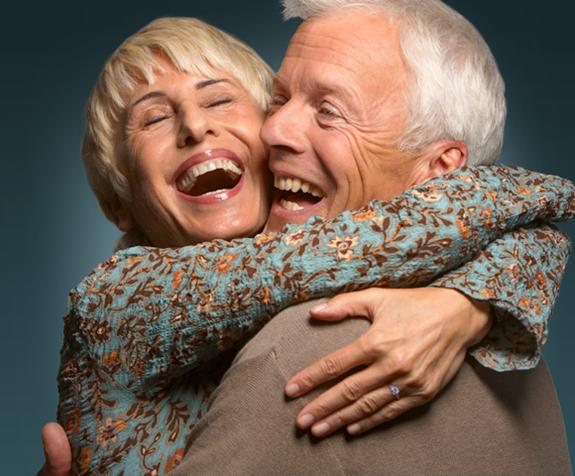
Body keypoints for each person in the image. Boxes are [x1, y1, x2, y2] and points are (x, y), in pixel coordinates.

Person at [41, 9, 574, 476]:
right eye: (153, 118)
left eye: (221, 100)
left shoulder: (342, 325)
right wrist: (473, 298)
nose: (195, 127)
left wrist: (465, 303)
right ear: (117, 200)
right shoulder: (117, 297)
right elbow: (357, 246)